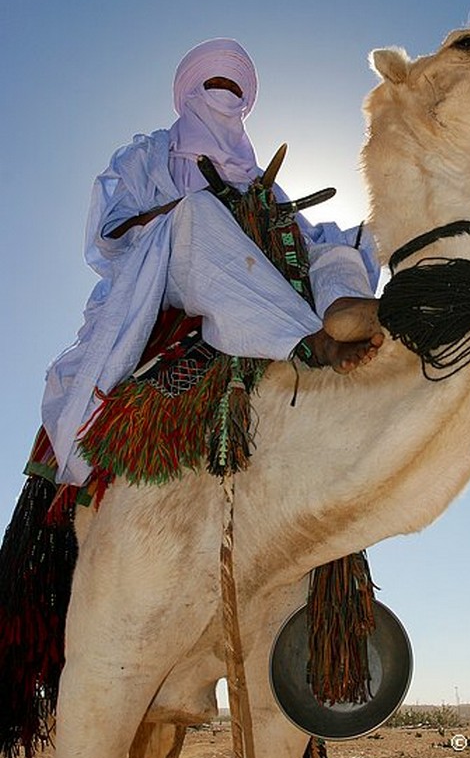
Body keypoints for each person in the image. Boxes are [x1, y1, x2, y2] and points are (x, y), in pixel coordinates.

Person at [42, 38, 383, 487]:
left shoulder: (255, 175)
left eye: (234, 88)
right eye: (214, 83)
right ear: (189, 94)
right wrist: (188, 206)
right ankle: (310, 341)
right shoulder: (150, 155)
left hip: (254, 266)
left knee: (342, 239)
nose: (225, 94)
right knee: (199, 215)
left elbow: (297, 232)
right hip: (169, 267)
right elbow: (112, 233)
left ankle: (344, 310)